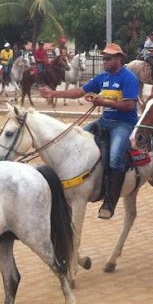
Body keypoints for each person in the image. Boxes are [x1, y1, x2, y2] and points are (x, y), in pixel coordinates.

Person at [40, 43, 139, 220]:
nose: (104, 62)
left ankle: (110, 201)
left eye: (108, 59)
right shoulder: (102, 78)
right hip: (105, 121)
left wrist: (104, 103)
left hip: (123, 124)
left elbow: (131, 105)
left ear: (119, 59)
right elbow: (79, 91)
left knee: (115, 158)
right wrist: (53, 94)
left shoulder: (128, 78)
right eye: (104, 58)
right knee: (75, 140)